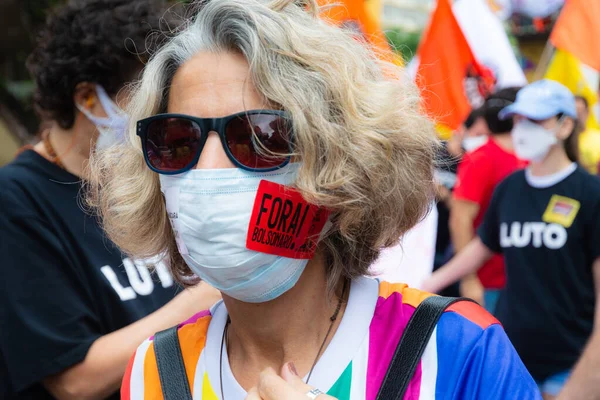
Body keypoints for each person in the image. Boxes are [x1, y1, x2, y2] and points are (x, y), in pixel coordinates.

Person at [90, 1, 540, 398]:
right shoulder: (155, 373)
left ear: (341, 162)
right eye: (177, 140)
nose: (206, 169)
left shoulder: (458, 352)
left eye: (259, 138)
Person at [0, 2, 220, 399]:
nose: (160, 110)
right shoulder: (16, 203)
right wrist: (206, 297)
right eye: (142, 94)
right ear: (86, 99)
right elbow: (74, 381)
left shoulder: (152, 174)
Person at [423, 80, 600, 400]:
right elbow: (481, 246)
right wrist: (424, 285)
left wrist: (585, 381)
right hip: (513, 357)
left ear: (565, 126)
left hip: (570, 363)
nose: (522, 128)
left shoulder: (591, 194)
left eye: (534, 120)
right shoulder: (511, 188)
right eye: (518, 119)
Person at [450, 88, 526, 313]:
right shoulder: (481, 158)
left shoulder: (532, 159)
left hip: (523, 283)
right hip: (489, 285)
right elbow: (460, 219)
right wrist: (469, 278)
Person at [434, 107, 490, 297]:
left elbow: (465, 210)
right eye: (478, 134)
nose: (481, 140)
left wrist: (445, 196)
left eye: (486, 136)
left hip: (453, 249)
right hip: (425, 245)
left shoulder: (476, 163)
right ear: (462, 130)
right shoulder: (432, 152)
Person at [574, 95, 600, 175]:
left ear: (587, 112)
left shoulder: (597, 138)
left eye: (581, 111)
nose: (578, 116)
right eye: (575, 111)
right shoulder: (561, 142)